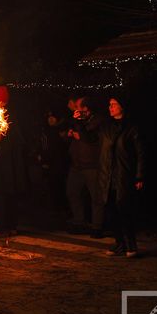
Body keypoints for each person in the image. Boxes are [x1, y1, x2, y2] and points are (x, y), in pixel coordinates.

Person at [98, 93, 146, 258]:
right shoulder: (107, 127)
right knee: (111, 211)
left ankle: (131, 245)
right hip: (109, 176)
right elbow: (91, 138)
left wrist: (139, 176)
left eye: (114, 104)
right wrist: (79, 122)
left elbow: (140, 153)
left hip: (124, 176)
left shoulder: (132, 128)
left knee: (124, 210)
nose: (110, 107)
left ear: (122, 106)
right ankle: (120, 244)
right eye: (109, 104)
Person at [0, 85, 29, 238]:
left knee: (2, 194)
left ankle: (1, 228)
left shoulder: (2, 118)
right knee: (10, 195)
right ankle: (11, 227)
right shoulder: (11, 116)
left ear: (1, 102)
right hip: (13, 164)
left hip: (5, 164)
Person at [65, 94, 104, 236]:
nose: (75, 109)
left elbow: (88, 137)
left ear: (86, 108)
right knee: (72, 192)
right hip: (77, 165)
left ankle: (97, 226)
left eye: (77, 107)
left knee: (96, 197)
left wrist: (78, 128)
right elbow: (73, 134)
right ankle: (79, 221)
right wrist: (71, 131)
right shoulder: (80, 120)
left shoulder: (97, 121)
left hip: (91, 165)